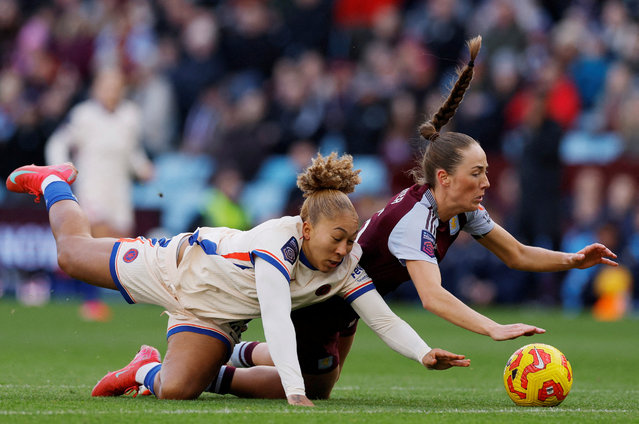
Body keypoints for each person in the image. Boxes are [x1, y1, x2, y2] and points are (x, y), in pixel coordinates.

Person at [206, 35, 618, 400]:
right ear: (444, 178)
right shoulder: (415, 218)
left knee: (324, 383)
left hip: (353, 297)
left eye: (487, 172)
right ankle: (212, 374)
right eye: (477, 173)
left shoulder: (461, 211)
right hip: (324, 296)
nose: (487, 183)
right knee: (304, 388)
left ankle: (240, 351)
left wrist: (572, 259)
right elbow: (432, 296)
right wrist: (493, 327)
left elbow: (515, 254)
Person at [5, 153, 472, 407]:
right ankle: (53, 182)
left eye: (351, 241)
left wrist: (423, 353)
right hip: (173, 269)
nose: (344, 250)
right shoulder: (276, 246)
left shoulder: (345, 265)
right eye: (337, 239)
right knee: (70, 256)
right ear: (306, 228)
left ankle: (141, 369)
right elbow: (276, 320)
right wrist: (294, 393)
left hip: (214, 317)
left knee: (177, 390)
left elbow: (383, 320)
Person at [45, 66, 154, 321]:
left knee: (120, 242)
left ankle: (118, 299)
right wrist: (59, 172)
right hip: (92, 184)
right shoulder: (83, 115)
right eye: (106, 87)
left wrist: (143, 168)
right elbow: (58, 143)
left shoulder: (130, 115)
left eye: (116, 87)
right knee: (94, 236)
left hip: (119, 188)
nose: (111, 92)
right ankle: (90, 301)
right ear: (96, 89)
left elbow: (132, 152)